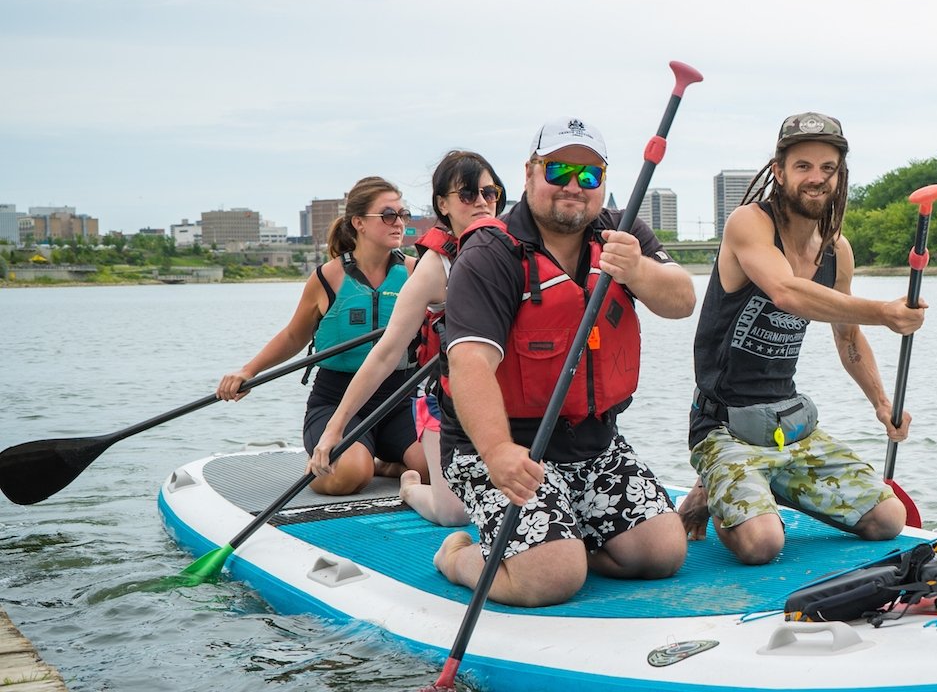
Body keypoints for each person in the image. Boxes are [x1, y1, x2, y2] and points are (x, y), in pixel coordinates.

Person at [432, 117, 696, 607]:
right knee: (550, 580)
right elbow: (469, 364)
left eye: (589, 176)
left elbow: (682, 301)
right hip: (509, 448)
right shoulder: (490, 253)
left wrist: (637, 269)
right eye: (559, 171)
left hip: (593, 442)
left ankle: (563, 539)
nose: (574, 186)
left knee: (662, 553)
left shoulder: (623, 231)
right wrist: (497, 452)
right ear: (531, 172)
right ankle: (459, 556)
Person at [678, 112, 926, 565]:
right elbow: (787, 292)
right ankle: (715, 487)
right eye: (804, 166)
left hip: (789, 427)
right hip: (724, 426)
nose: (817, 179)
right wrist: (884, 312)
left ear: (840, 175)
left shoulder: (838, 250)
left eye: (828, 168)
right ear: (779, 170)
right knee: (763, 545)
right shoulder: (749, 223)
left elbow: (847, 338)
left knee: (887, 519)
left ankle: (765, 484)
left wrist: (881, 403)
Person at [310, 151, 506, 526]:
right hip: (445, 404)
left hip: (500, 401)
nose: (481, 202)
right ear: (443, 205)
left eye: (489, 192)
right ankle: (410, 488)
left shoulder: (512, 249)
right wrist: (334, 428)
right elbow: (385, 355)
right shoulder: (434, 269)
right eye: (467, 195)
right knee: (453, 515)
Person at [218, 176, 424, 495]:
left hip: (400, 399)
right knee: (351, 476)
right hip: (335, 400)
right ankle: (363, 461)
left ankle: (382, 462)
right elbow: (292, 337)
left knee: (439, 467)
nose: (399, 223)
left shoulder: (417, 274)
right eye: (388, 215)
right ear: (359, 223)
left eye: (403, 214)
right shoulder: (327, 278)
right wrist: (248, 371)